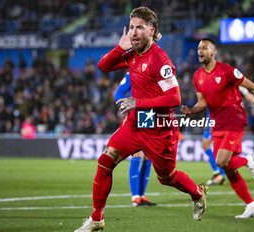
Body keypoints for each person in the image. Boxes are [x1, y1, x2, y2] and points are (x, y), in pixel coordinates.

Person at [75, 7, 207, 232]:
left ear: (151, 31)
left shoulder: (160, 60)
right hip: (136, 124)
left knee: (166, 177)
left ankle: (197, 193)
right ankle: (97, 219)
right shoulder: (132, 53)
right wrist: (120, 47)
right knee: (105, 161)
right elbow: (103, 66)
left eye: (140, 28)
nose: (134, 32)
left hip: (159, 130)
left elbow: (174, 98)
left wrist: (138, 102)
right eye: (132, 27)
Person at [181, 38, 254, 218]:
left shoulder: (227, 71)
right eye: (199, 48)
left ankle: (248, 160)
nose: (200, 51)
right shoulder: (197, 76)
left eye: (205, 48)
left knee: (221, 161)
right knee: (227, 168)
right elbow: (202, 102)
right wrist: (191, 110)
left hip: (234, 117)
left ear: (213, 51)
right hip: (217, 123)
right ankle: (251, 205)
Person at [114, 72, 155, 207]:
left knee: (148, 156)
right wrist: (127, 106)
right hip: (136, 114)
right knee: (136, 153)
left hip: (150, 115)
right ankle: (135, 197)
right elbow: (118, 93)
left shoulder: (155, 72)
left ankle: (142, 196)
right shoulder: (131, 73)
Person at [203, 109, 226, 186]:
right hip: (210, 118)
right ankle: (218, 173)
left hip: (215, 119)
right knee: (205, 146)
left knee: (212, 146)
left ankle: (221, 175)